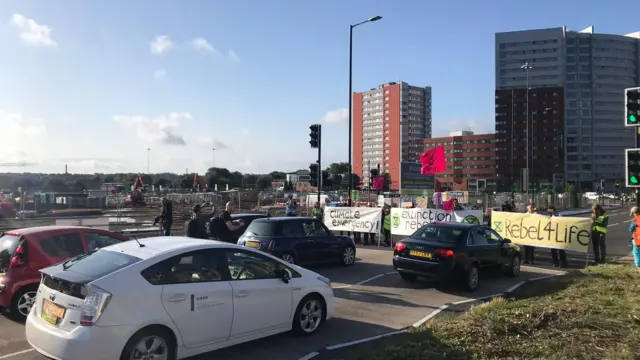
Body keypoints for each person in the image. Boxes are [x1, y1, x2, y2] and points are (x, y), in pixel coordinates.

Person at [627, 206, 640, 274]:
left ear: (634, 213)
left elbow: (631, 229)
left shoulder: (635, 220)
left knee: (637, 254)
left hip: (637, 240)